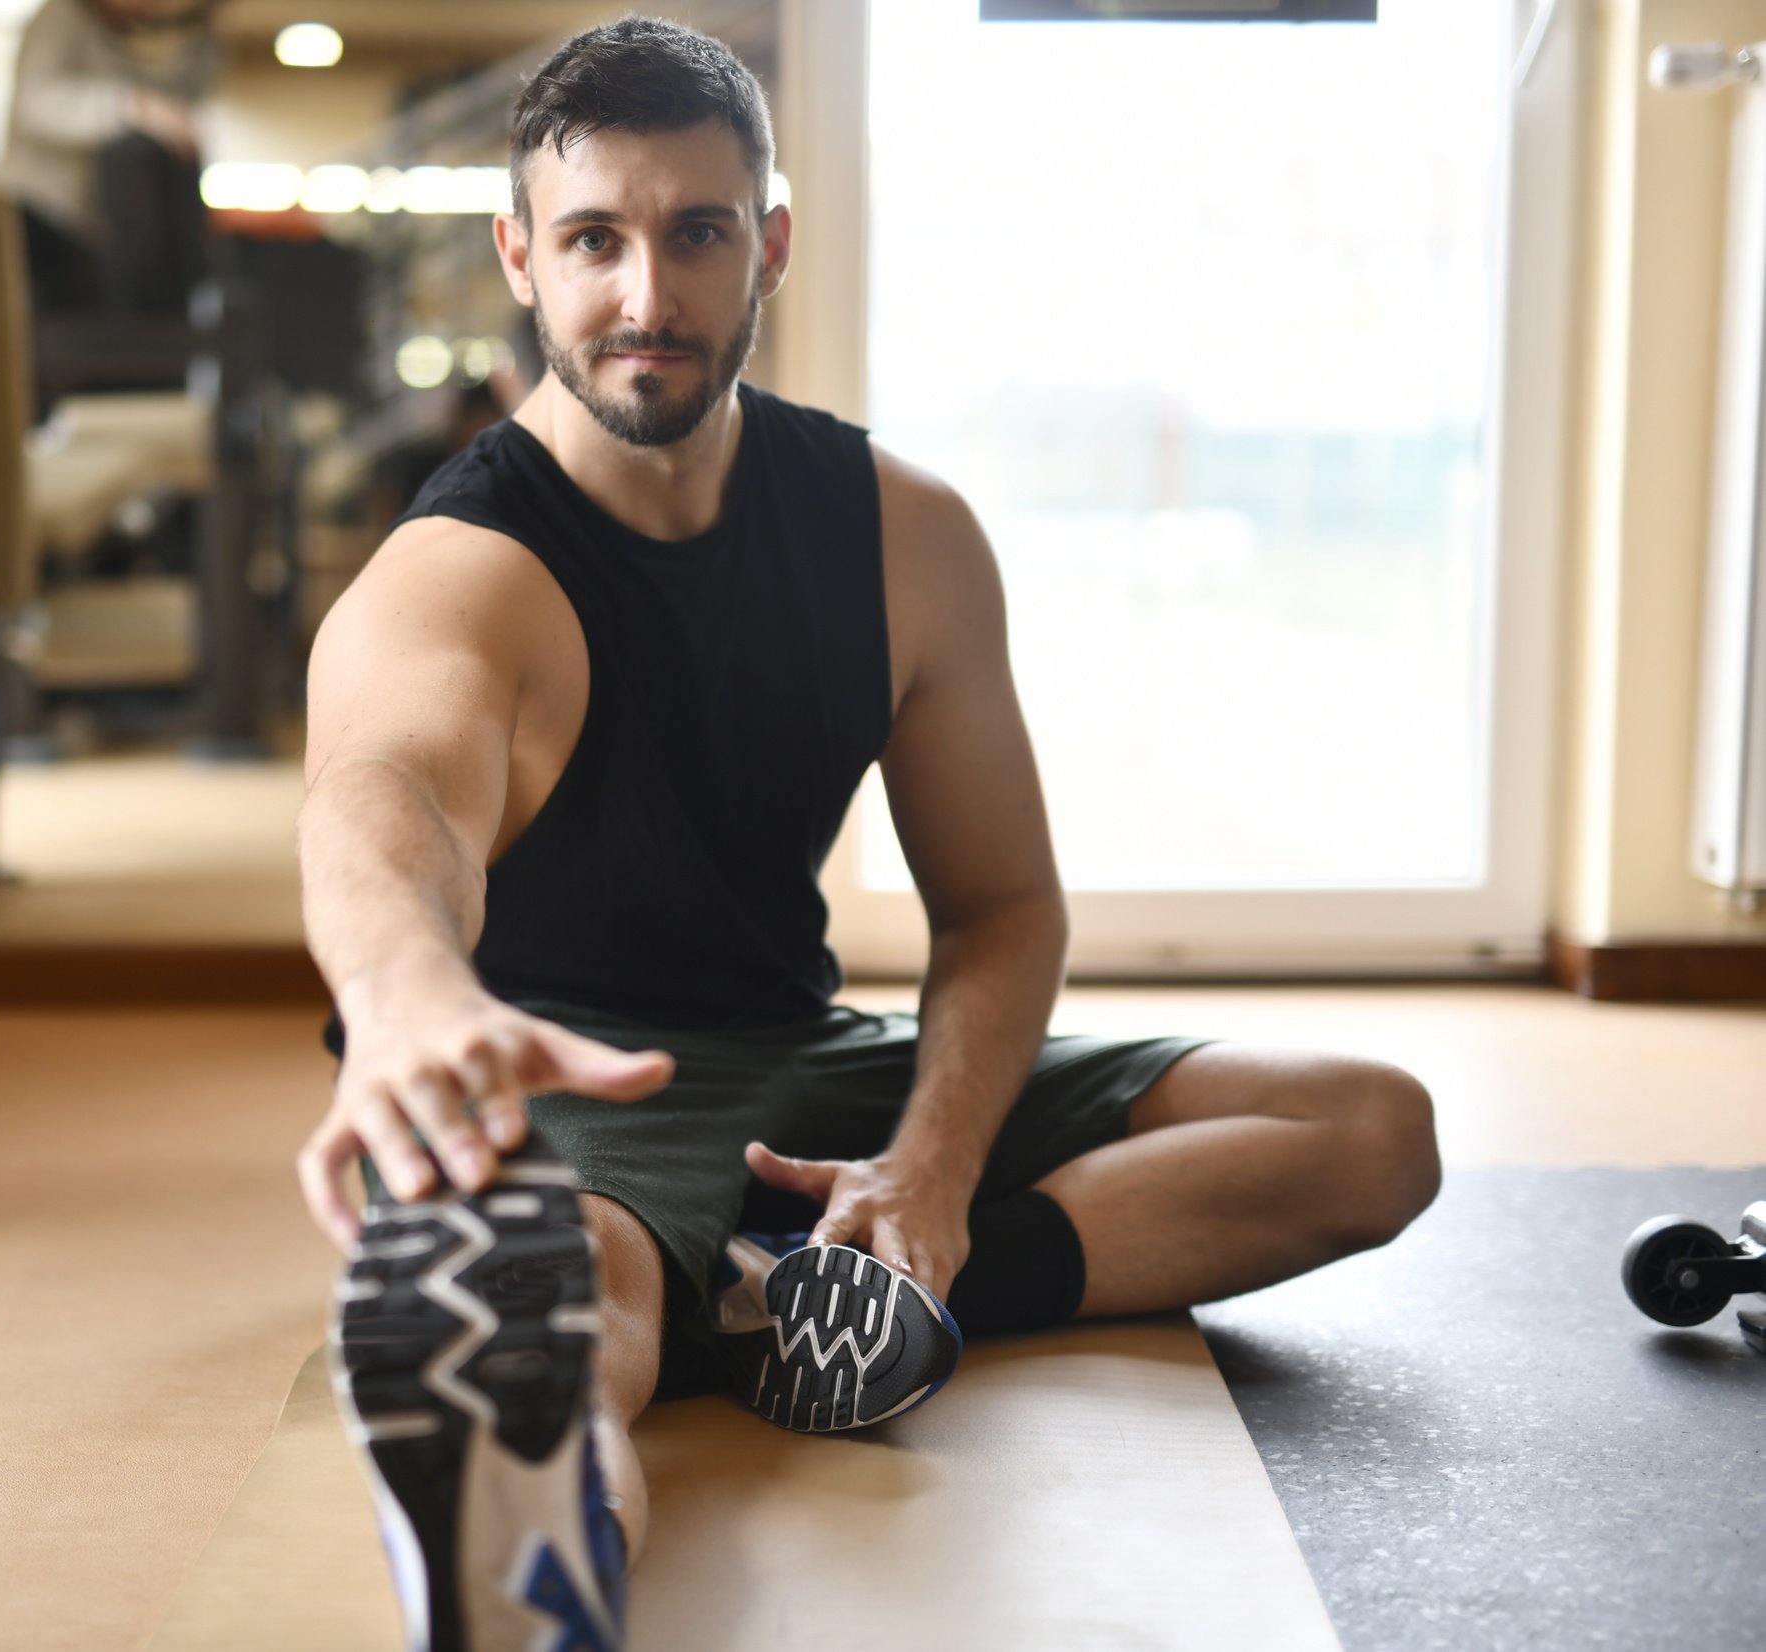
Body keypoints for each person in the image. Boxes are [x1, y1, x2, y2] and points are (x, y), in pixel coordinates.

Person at [295, 18, 1443, 1651]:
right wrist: (407, 995)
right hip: (570, 1086)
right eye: (594, 240)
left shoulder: (903, 536)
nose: (646, 294)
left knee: (1368, 1130)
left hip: (806, 1062)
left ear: (765, 239)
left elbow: (1001, 908)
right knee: (565, 1336)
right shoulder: (457, 571)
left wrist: (932, 1173)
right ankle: (530, 1559)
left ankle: (802, 1288)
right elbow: (379, 802)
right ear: (519, 258)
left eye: (695, 231)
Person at [0, 0, 216, 320]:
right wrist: (135, 107)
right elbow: (36, 104)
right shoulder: (63, 14)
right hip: (35, 212)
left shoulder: (132, 31)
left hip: (91, 230)